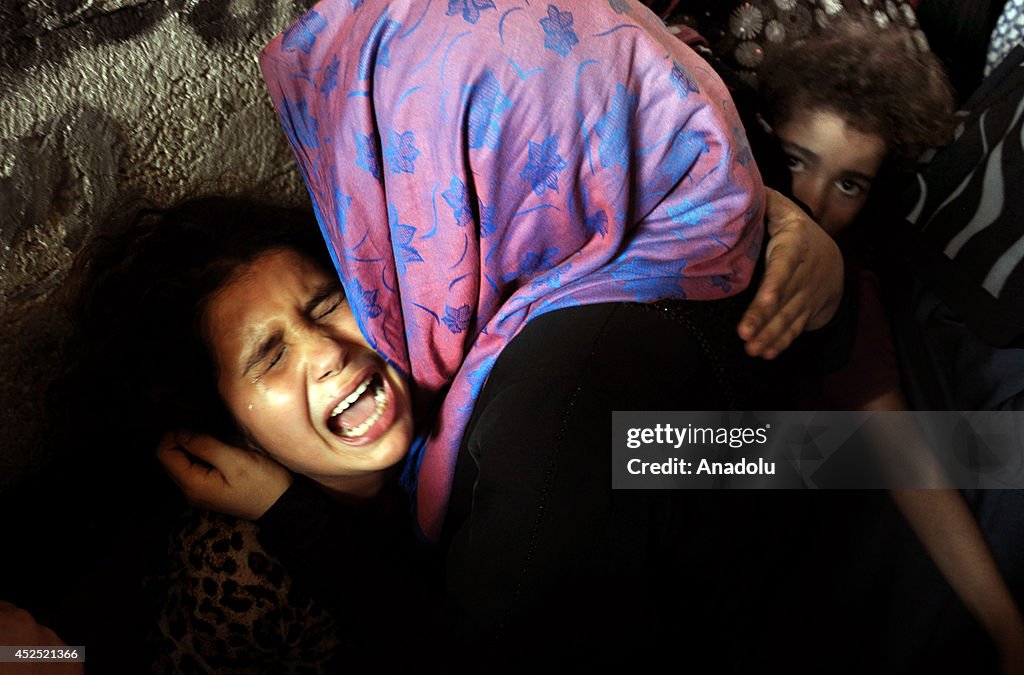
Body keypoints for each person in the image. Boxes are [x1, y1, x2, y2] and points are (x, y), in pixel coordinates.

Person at [52, 0, 853, 669]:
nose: (328, 348)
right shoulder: (590, 321)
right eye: (268, 355)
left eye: (329, 302)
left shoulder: (548, 407)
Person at [758, 16, 1024, 673]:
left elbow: (904, 458)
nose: (815, 201)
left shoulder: (853, 291)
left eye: (849, 183)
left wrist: (1007, 628)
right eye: (797, 160)